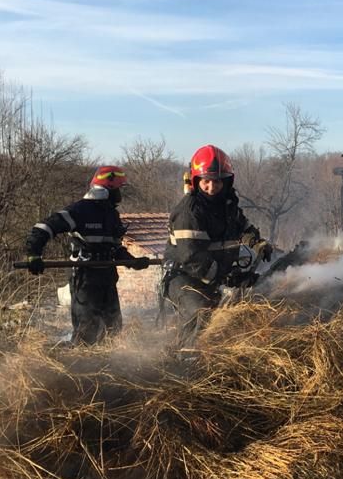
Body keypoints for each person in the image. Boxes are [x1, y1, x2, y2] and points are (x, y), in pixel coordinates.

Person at [162, 145, 272, 347]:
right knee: (201, 313)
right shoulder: (189, 211)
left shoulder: (227, 205)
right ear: (196, 180)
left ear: (226, 182)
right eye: (206, 181)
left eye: (217, 181)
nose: (212, 187)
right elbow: (192, 258)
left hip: (216, 274)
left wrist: (258, 243)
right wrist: (224, 281)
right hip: (186, 277)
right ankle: (184, 356)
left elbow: (243, 228)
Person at [26, 166, 148, 344]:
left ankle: (109, 359)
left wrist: (132, 261)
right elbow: (44, 228)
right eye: (118, 189)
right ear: (108, 189)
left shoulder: (112, 215)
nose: (120, 195)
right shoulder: (80, 210)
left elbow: (115, 248)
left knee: (113, 327)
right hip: (85, 276)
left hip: (107, 276)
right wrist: (34, 254)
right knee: (87, 330)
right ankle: (80, 359)